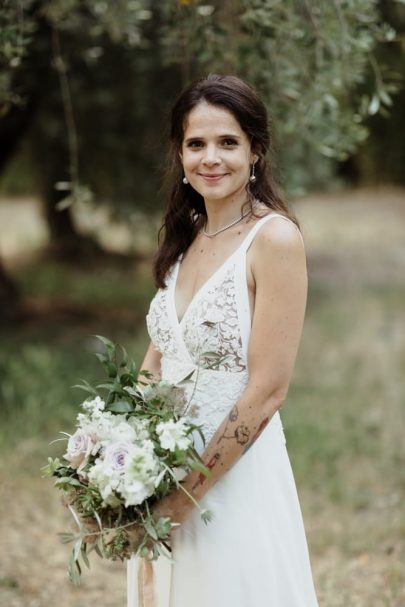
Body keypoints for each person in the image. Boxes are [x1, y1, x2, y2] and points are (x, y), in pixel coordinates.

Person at [127, 73, 319, 606]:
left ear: (256, 151)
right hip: (157, 473)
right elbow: (157, 358)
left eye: (228, 142)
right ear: (180, 155)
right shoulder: (186, 237)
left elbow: (268, 391)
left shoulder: (274, 239)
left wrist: (185, 497)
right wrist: (111, 450)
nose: (211, 157)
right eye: (196, 144)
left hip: (231, 480)